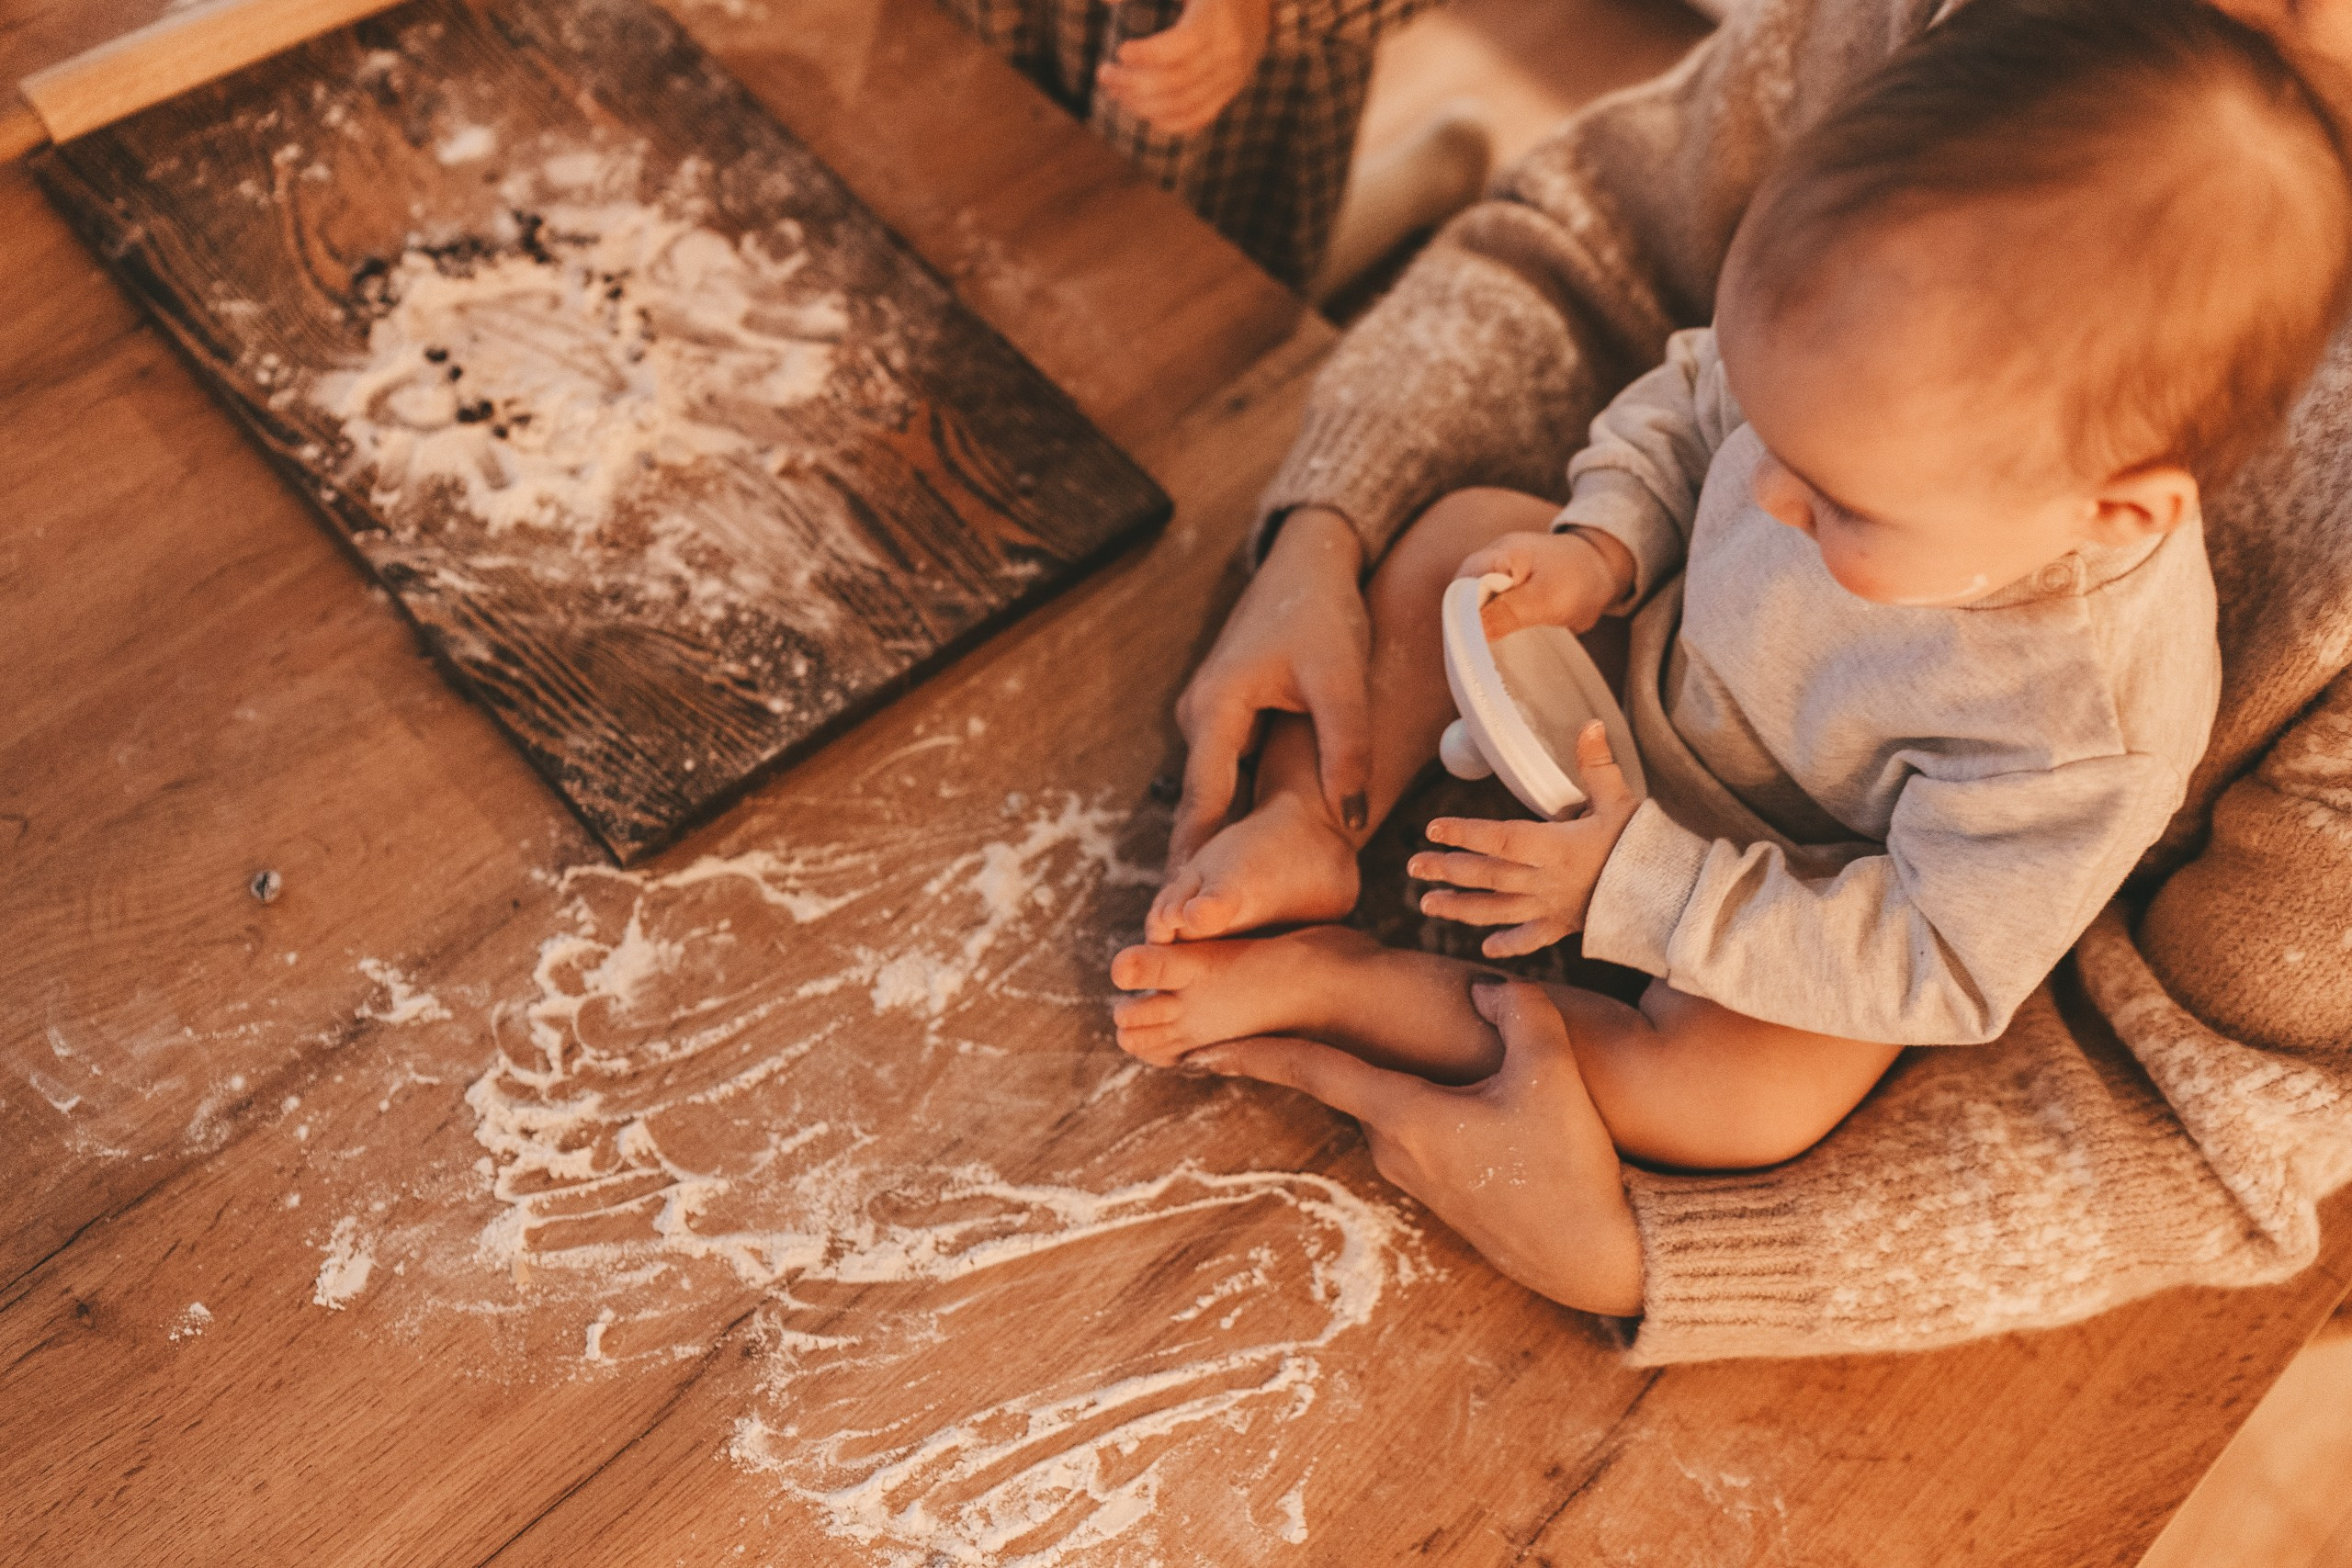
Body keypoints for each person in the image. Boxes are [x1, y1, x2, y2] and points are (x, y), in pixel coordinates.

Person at [1134, 0, 2352, 1358]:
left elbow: (1934, 957)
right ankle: (1317, 814)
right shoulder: (1878, 305)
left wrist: (1641, 886)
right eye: (1773, 433)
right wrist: (1602, 542)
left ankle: (1346, 977)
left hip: (1787, 888)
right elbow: (1691, 391)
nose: (1764, 495)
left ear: (2114, 515)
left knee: (1744, 1094)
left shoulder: (2089, 732)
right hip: (1637, 676)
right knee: (1471, 534)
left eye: (1839, 502)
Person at [941, 0, 1472, 292]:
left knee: (1204, 288)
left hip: (1225, 90)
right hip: (1003, 26)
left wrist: (1259, 12)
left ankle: (1433, 176)